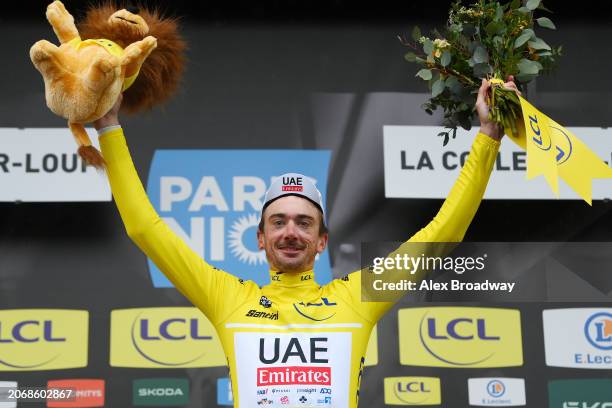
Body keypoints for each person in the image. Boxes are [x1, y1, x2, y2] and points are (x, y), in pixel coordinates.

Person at [94, 77, 519, 408]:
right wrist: (109, 126)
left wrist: (488, 137)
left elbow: (443, 234)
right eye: (278, 222)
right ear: (260, 239)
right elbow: (144, 229)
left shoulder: (358, 295)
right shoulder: (228, 298)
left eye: (304, 222)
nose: (291, 232)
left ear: (321, 241)